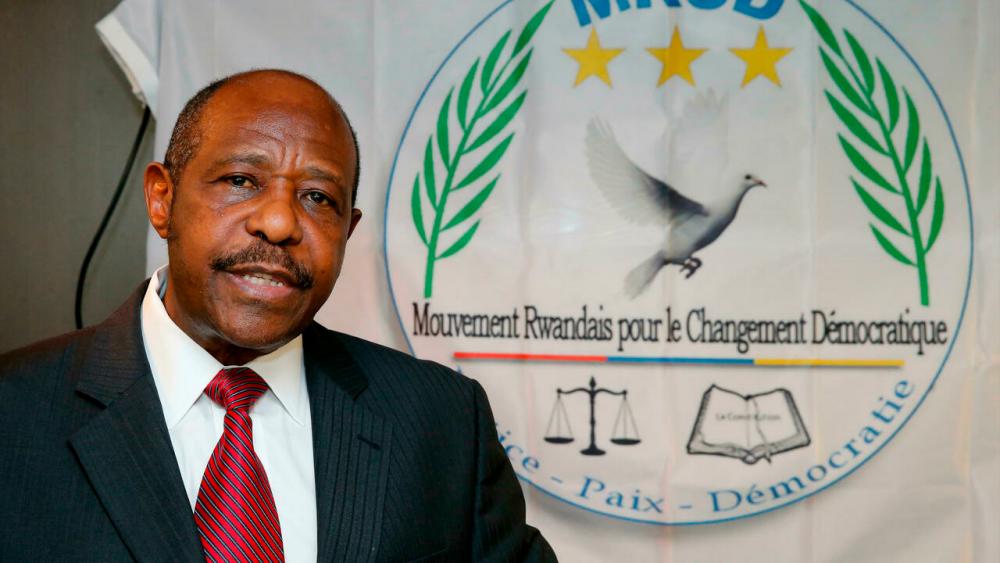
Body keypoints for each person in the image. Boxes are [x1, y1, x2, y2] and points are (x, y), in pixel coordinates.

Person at [0, 69, 556, 562]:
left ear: (347, 232)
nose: (279, 222)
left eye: (318, 198)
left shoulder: (443, 422)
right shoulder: (15, 413)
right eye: (241, 180)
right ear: (161, 200)